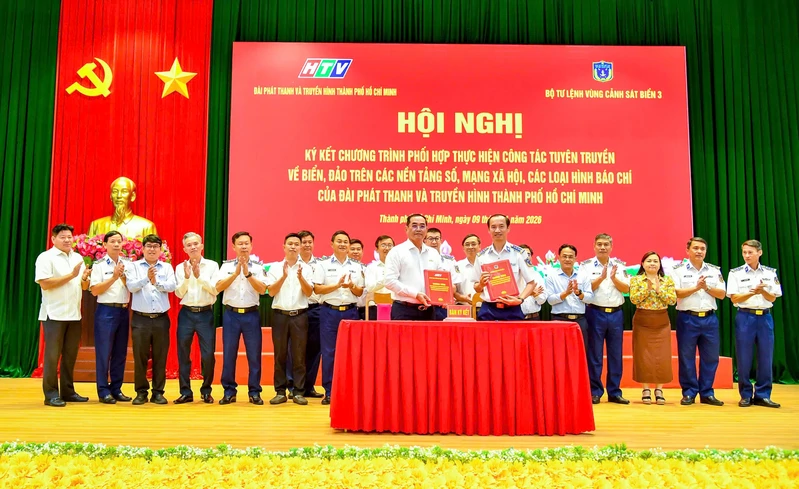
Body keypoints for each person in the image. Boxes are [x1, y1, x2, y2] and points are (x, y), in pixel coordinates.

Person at [35, 223, 91, 407]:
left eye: (69, 237)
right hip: (54, 314)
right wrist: (71, 275)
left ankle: (68, 392)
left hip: (74, 315)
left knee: (70, 356)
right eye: (63, 237)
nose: (67, 240)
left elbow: (84, 287)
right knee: (52, 357)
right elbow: (45, 283)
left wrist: (84, 278)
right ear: (53, 239)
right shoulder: (46, 257)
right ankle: (51, 394)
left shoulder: (78, 257)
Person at [213, 231, 268, 405]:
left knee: (254, 355)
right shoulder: (226, 266)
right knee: (229, 354)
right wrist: (236, 273)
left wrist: (248, 274)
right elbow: (218, 287)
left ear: (251, 246)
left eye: (246, 243)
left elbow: (263, 290)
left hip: (251, 315)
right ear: (233, 247)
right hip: (231, 315)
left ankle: (254, 392)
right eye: (240, 244)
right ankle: (229, 391)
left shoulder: (258, 267)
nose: (243, 246)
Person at [727, 239, 783, 408]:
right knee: (744, 357)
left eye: (750, 252)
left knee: (766, 357)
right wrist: (752, 292)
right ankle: (745, 395)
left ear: (760, 252)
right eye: (744, 252)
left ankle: (763, 395)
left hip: (765, 317)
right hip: (745, 316)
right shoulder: (735, 273)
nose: (747, 255)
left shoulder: (770, 273)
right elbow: (734, 298)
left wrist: (763, 290)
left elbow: (773, 298)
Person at [671, 237, 726, 406]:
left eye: (702, 248)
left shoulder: (714, 270)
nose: (699, 251)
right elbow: (676, 293)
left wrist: (706, 287)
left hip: (709, 319)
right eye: (695, 248)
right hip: (687, 318)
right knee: (686, 357)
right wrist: (696, 287)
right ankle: (689, 392)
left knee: (711, 357)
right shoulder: (677, 270)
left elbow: (722, 294)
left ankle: (707, 392)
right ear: (687, 250)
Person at [313, 230, 364, 405]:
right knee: (329, 352)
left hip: (351, 312)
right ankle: (329, 391)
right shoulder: (323, 265)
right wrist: (337, 286)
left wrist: (351, 286)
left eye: (345, 242)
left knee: (351, 353)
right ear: (332, 244)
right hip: (329, 312)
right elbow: (317, 289)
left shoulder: (357, 266)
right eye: (339, 241)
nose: (342, 244)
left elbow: (359, 292)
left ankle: (350, 389)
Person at [578, 234, 630, 405]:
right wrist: (601, 277)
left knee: (615, 354)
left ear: (611, 247)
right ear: (594, 246)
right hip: (595, 312)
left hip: (616, 313)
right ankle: (595, 391)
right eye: (599, 244)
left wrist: (613, 278)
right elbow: (585, 289)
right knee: (595, 354)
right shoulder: (585, 266)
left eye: (606, 244)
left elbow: (626, 289)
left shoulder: (620, 265)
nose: (602, 247)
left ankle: (614, 392)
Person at [125, 234, 176, 405]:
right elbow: (131, 287)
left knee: (160, 357)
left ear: (160, 250)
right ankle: (141, 392)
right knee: (140, 357)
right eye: (149, 246)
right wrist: (147, 278)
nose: (152, 249)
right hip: (141, 319)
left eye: (155, 246)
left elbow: (172, 286)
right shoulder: (134, 266)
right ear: (143, 248)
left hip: (161, 318)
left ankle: (158, 392)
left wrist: (156, 282)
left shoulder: (166, 267)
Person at [265, 233, 314, 406]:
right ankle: (280, 391)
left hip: (299, 316)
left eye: (296, 244)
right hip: (280, 316)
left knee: (299, 355)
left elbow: (309, 293)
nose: (293, 247)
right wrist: (284, 277)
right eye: (290, 244)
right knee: (280, 355)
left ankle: (298, 392)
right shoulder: (275, 268)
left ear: (300, 247)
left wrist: (300, 278)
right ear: (284, 246)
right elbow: (271, 292)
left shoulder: (306, 268)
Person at [173, 232, 220, 404]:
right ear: (184, 249)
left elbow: (215, 290)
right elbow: (179, 293)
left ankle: (206, 390)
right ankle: (185, 392)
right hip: (186, 314)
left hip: (205, 314)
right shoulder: (180, 267)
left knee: (208, 355)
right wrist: (187, 277)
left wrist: (199, 276)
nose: (193, 247)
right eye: (189, 245)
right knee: (183, 353)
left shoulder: (212, 266)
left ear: (201, 246)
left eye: (195, 244)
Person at [473, 215, 543, 321]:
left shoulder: (519, 254)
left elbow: (531, 283)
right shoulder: (481, 256)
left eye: (501, 226)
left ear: (508, 228)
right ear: (488, 230)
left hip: (512, 309)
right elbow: (476, 287)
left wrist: (520, 299)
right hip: (488, 310)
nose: (497, 230)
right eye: (493, 227)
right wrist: (481, 284)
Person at [89, 230, 132, 404]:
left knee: (120, 352)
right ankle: (103, 390)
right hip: (106, 311)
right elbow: (94, 290)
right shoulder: (99, 265)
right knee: (104, 352)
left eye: (119, 241)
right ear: (105, 244)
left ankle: (116, 388)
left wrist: (123, 277)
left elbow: (133, 287)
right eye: (112, 241)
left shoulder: (129, 263)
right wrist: (114, 277)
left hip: (123, 311)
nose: (116, 244)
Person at [629, 251, 677, 405]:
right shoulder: (636, 280)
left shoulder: (666, 280)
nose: (652, 263)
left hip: (661, 321)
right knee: (643, 356)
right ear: (642, 264)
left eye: (655, 261)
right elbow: (634, 299)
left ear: (659, 264)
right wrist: (647, 289)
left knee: (661, 356)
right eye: (649, 261)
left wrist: (658, 289)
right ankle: (645, 389)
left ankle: (659, 389)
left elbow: (672, 300)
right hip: (642, 321)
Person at [286, 230, 324, 399]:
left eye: (310, 242)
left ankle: (308, 386)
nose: (307, 245)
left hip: (316, 309)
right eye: (304, 242)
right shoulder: (291, 263)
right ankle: (292, 385)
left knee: (315, 349)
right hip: (298, 309)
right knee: (294, 349)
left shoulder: (320, 264)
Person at [384, 214, 442, 320]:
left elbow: (440, 279)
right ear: (406, 228)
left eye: (422, 226)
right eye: (414, 226)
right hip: (404, 310)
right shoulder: (396, 252)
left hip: (429, 310)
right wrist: (415, 294)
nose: (418, 229)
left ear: (426, 229)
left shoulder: (434, 253)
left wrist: (443, 296)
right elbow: (389, 281)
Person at [545, 244, 593, 347]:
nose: (567, 259)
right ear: (559, 258)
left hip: (579, 321)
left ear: (575, 259)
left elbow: (590, 298)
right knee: (559, 351)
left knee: (580, 351)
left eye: (571, 257)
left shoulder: (583, 276)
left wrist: (579, 293)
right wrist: (565, 293)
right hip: (559, 320)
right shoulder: (551, 277)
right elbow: (550, 300)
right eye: (564, 256)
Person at [87, 176, 157, 237]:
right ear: (111, 196)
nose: (119, 196)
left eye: (124, 191)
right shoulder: (96, 225)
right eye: (115, 191)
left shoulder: (146, 227)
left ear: (132, 196)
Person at [424, 227, 462, 320]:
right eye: (430, 239)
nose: (434, 242)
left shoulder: (450, 260)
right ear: (424, 240)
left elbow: (454, 286)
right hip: (423, 304)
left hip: (443, 305)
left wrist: (446, 298)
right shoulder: (419, 259)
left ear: (441, 240)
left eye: (437, 238)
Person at [364, 235, 395, 319]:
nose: (387, 248)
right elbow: (370, 287)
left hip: (396, 308)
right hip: (375, 307)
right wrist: (386, 279)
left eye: (390, 245)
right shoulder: (371, 267)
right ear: (377, 249)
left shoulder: (399, 267)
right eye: (383, 245)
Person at [518, 244, 547, 320]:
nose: (526, 257)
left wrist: (535, 295)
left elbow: (542, 300)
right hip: (516, 318)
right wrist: (528, 293)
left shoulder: (536, 275)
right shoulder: (512, 276)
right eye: (522, 254)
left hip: (534, 318)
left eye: (528, 254)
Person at [455, 234, 481, 305]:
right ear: (463, 248)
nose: (470, 247)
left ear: (479, 246)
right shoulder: (456, 266)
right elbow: (453, 289)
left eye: (473, 244)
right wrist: (462, 297)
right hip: (463, 307)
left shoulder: (486, 264)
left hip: (484, 307)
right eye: (467, 244)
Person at [347, 239, 368, 319]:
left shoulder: (368, 269)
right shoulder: (344, 268)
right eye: (352, 249)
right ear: (347, 251)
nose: (356, 252)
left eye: (358, 249)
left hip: (365, 309)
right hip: (350, 308)